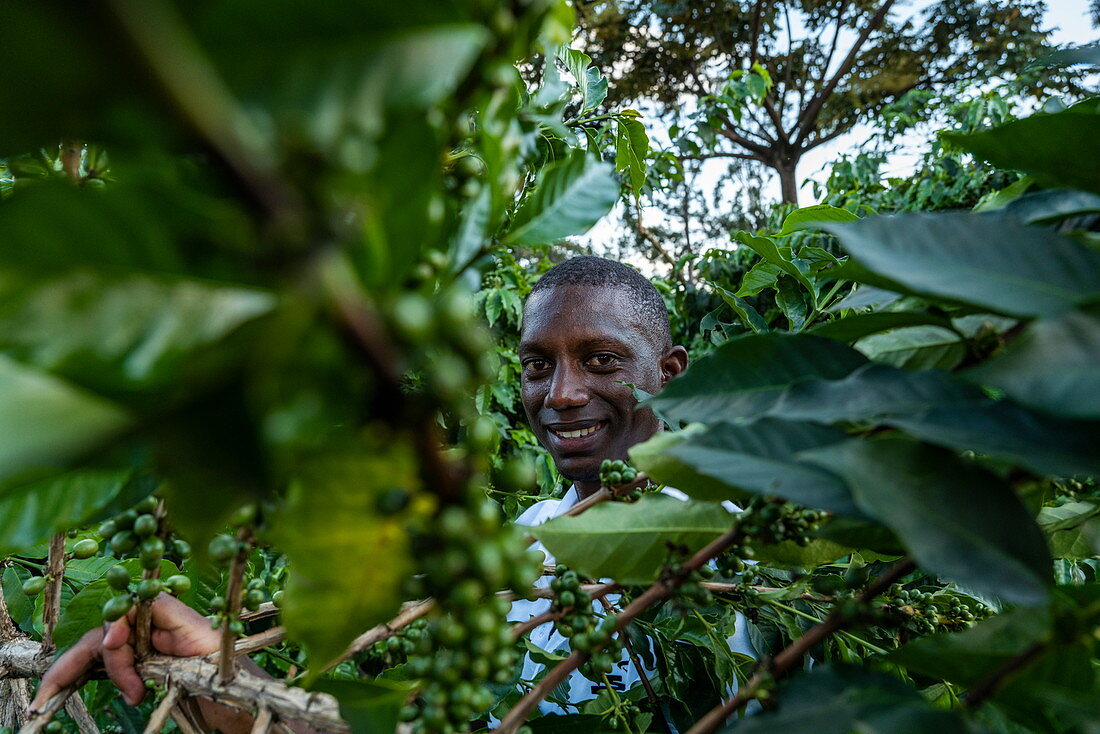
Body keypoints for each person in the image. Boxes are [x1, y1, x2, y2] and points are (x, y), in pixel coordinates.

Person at [31, 256, 741, 726]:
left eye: (602, 360)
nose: (560, 394)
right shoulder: (533, 536)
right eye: (535, 365)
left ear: (672, 373)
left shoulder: (736, 553)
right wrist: (216, 666)